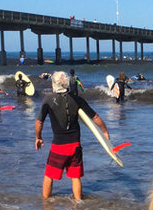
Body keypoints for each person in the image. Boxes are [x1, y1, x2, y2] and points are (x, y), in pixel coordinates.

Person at [34, 71, 111, 200]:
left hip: (59, 146)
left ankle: (45, 203)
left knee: (49, 175)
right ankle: (78, 204)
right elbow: (95, 117)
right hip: (75, 145)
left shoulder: (48, 99)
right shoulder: (77, 99)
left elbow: (39, 122)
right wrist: (105, 131)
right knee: (75, 177)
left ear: (54, 83)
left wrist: (38, 137)